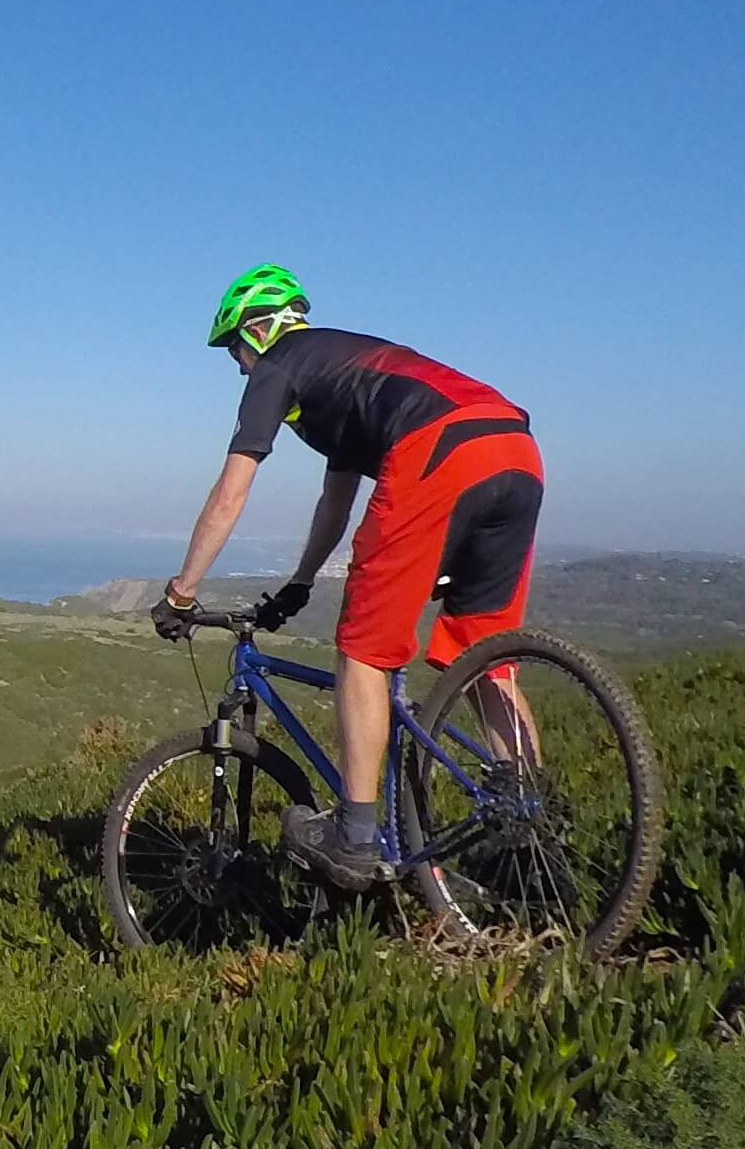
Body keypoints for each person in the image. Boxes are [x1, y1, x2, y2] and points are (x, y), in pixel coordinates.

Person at [152, 263, 545, 887]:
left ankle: (355, 835)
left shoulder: (280, 364)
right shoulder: (345, 369)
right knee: (486, 657)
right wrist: (300, 583)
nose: (235, 364)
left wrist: (182, 591)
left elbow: (231, 492)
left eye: (232, 348)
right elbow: (334, 504)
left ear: (257, 331)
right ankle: (530, 832)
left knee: (364, 650)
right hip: (515, 449)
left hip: (439, 449)